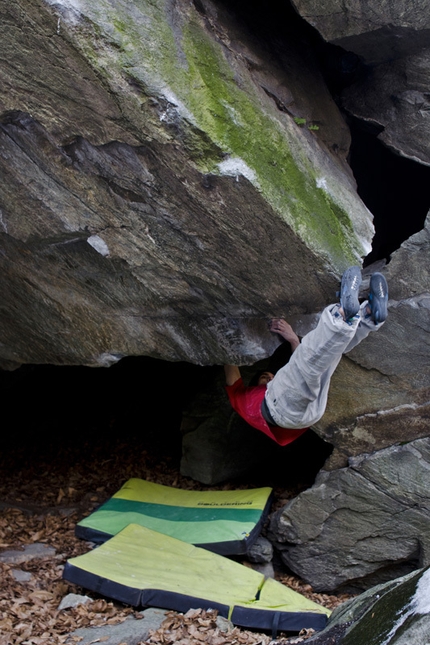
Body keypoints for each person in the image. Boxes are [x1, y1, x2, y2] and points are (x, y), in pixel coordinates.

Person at [224, 267, 388, 446]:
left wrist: (293, 339)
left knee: (327, 360)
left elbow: (230, 360)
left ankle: (369, 317)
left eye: (268, 376)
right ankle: (342, 315)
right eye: (267, 377)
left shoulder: (249, 398)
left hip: (309, 414)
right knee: (307, 367)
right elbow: (297, 370)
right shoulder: (251, 398)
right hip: (282, 412)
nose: (270, 376)